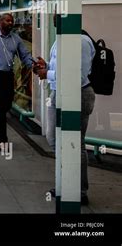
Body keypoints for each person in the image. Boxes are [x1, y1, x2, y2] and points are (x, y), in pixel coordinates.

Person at [34, 14, 95, 205]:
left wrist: (48, 73)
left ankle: (79, 190)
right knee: (54, 138)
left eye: (57, 18)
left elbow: (77, 76)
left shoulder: (82, 42)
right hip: (57, 94)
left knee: (75, 143)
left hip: (78, 95)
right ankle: (65, 182)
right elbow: (59, 68)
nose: (53, 21)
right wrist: (46, 66)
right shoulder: (59, 40)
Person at [0, 14, 33, 144]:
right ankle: (3, 139)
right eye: (7, 20)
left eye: (12, 21)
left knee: (6, 106)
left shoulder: (15, 38)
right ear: (0, 22)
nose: (10, 23)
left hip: (8, 75)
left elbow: (24, 55)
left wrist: (35, 66)